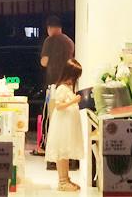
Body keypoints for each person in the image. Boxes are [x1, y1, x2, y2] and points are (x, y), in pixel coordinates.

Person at [35, 16, 74, 155]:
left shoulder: (50, 40)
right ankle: (61, 148)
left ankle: (45, 147)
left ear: (49, 28)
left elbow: (44, 62)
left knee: (49, 116)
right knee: (62, 118)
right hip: (68, 84)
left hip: (53, 84)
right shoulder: (69, 41)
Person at [45, 58, 84, 192]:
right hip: (63, 125)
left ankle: (66, 179)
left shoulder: (67, 88)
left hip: (67, 125)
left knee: (65, 152)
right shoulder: (62, 88)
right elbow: (59, 105)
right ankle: (62, 181)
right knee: (62, 152)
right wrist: (73, 101)